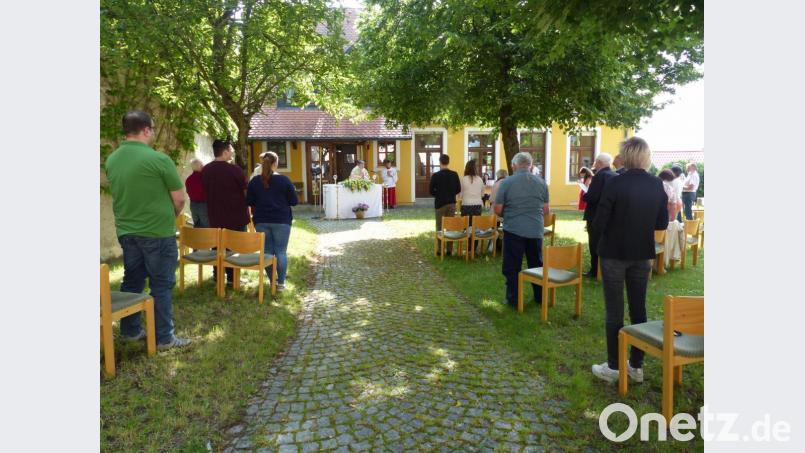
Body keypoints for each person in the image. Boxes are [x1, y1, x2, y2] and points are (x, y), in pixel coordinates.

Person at [105, 110, 191, 350]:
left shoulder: (112, 160)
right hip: (157, 234)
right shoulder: (159, 160)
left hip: (127, 233)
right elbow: (179, 199)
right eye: (152, 128)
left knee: (132, 281)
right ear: (145, 130)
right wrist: (169, 217)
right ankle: (164, 337)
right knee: (161, 285)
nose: (153, 132)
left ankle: (130, 331)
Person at [591, 137, 668, 383]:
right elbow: (661, 223)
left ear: (624, 156)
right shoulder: (657, 184)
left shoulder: (615, 182)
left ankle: (614, 366)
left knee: (614, 311)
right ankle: (636, 366)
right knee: (639, 309)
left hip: (613, 253)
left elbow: (600, 221)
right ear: (645, 156)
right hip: (642, 254)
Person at [494, 152, 550, 308]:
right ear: (530, 165)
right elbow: (546, 210)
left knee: (512, 265)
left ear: (514, 165)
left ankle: (513, 298)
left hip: (514, 229)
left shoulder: (506, 182)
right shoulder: (541, 183)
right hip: (535, 230)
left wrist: (511, 213)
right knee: (536, 264)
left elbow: (498, 209)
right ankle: (539, 296)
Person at [247, 151, 299, 291]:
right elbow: (294, 202)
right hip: (282, 220)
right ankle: (281, 284)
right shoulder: (284, 180)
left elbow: (249, 201)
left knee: (268, 252)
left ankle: (272, 282)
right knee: (281, 252)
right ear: (276, 164)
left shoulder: (254, 181)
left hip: (261, 221)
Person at [202, 139, 250, 286]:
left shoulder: (206, 170)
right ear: (225, 152)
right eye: (231, 150)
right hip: (235, 214)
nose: (232, 152)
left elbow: (206, 190)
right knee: (234, 247)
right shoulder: (234, 170)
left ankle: (217, 275)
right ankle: (232, 278)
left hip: (215, 214)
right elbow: (245, 189)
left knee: (217, 246)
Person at [582, 153, 616, 278]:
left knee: (594, 242)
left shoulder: (599, 176)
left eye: (595, 161)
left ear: (600, 163)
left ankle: (595, 270)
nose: (594, 164)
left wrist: (585, 195)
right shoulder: (615, 175)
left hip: (595, 215)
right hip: (609, 215)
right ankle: (606, 269)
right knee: (606, 242)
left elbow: (593, 196)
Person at [429, 154, 462, 256]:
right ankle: (449, 250)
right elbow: (458, 189)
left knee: (439, 227)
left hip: (440, 204)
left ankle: (440, 250)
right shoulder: (454, 174)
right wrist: (451, 194)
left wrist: (438, 194)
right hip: (451, 203)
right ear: (448, 162)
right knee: (450, 226)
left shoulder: (435, 175)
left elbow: (430, 191)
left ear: (440, 162)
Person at [185, 158, 209, 228]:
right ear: (201, 166)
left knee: (197, 226)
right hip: (204, 204)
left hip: (193, 205)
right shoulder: (204, 177)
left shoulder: (188, 179)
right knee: (207, 228)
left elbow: (187, 192)